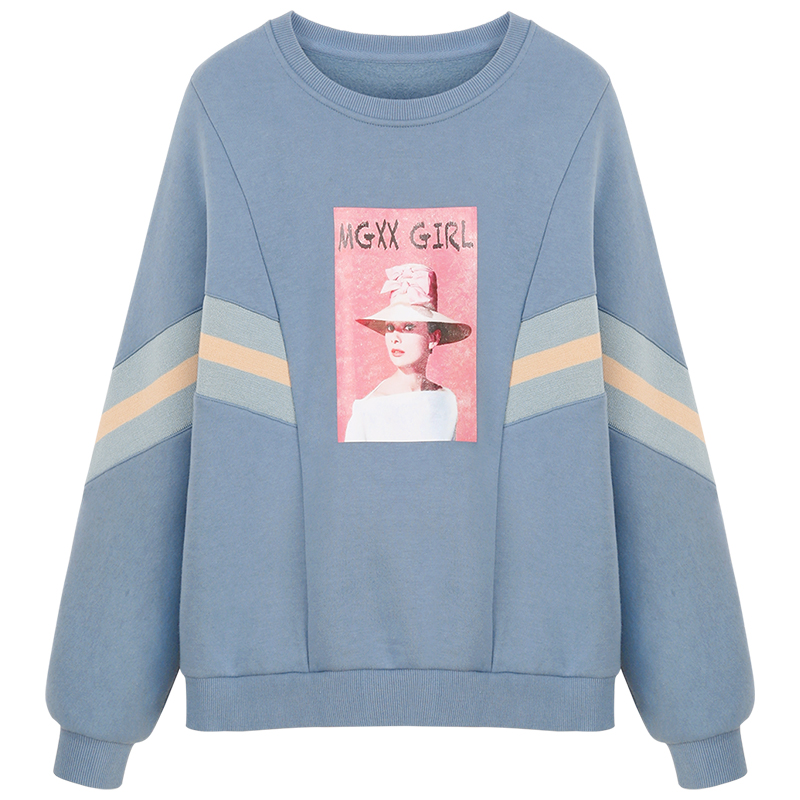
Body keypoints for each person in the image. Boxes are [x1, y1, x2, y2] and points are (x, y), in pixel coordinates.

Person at [345, 262, 472, 442]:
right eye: (390, 327)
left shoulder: (447, 400)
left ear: (433, 338)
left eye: (409, 327)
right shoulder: (368, 409)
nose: (395, 338)